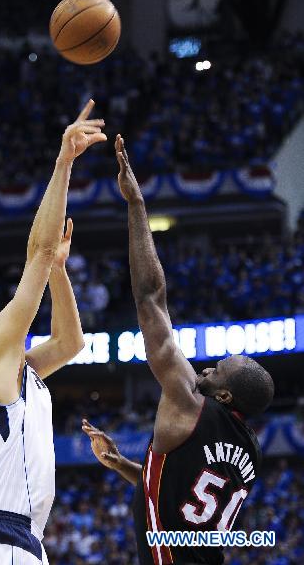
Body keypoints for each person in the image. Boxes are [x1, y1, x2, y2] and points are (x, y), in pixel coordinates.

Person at [82, 134, 274, 565]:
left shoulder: (190, 401)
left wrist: (135, 205)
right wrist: (121, 464)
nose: (206, 368)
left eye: (218, 370)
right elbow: (184, 514)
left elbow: (150, 297)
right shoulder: (250, 451)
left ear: (223, 396)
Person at [0, 99, 106, 565]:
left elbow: (71, 343)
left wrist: (60, 272)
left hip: (4, 540)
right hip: (1, 540)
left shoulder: (6, 370)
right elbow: (38, 249)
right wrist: (64, 162)